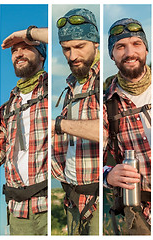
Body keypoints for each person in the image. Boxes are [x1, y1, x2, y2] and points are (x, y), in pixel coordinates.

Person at [51, 7, 100, 235]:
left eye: (79, 46)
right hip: (73, 201)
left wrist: (58, 125)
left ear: (96, 43)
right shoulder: (71, 87)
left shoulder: (108, 82)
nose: (72, 56)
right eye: (66, 49)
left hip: (103, 202)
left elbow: (106, 130)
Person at [103, 18, 152, 235]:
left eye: (136, 44)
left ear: (146, 49)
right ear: (112, 55)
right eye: (120, 46)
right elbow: (82, 158)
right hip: (136, 216)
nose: (129, 52)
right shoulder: (105, 102)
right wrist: (107, 174)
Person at [0, 26, 48, 235]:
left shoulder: (55, 87)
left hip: (50, 203)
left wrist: (28, 33)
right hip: (18, 210)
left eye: (26, 47)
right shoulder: (9, 106)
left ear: (42, 56)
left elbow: (69, 42)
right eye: (13, 51)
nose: (18, 53)